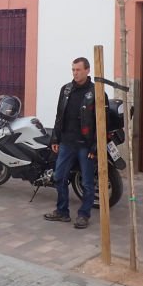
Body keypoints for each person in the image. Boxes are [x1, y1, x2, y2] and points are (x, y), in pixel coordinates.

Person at [44, 57, 107, 229]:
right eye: (73, 70)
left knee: (87, 182)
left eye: (78, 70)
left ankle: (83, 215)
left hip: (85, 145)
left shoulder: (96, 92)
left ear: (87, 70)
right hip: (66, 142)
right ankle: (62, 211)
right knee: (59, 177)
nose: (75, 73)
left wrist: (95, 147)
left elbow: (102, 123)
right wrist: (55, 138)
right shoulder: (66, 90)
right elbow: (59, 116)